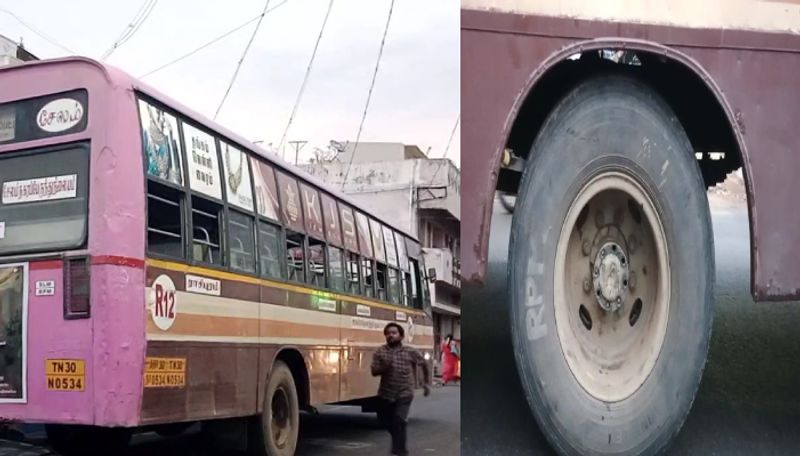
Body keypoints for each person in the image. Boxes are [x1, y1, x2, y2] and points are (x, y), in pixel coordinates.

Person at [371, 322, 431, 456]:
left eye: (394, 333)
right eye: (388, 333)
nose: (390, 335)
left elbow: (424, 364)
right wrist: (384, 367)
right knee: (385, 421)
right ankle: (398, 443)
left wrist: (426, 383)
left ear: (401, 335)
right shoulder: (380, 351)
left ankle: (400, 451)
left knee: (398, 420)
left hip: (405, 392)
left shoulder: (410, 351)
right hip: (386, 393)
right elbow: (374, 371)